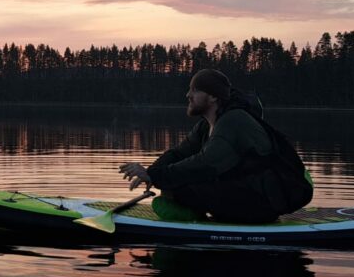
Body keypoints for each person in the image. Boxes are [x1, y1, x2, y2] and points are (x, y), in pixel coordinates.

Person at [119, 69, 309, 224]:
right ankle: (198, 214)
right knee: (172, 187)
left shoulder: (233, 121)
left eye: (194, 90)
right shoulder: (207, 124)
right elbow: (179, 153)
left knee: (177, 190)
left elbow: (206, 164)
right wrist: (152, 173)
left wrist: (157, 177)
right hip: (244, 193)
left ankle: (195, 218)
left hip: (263, 202)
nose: (188, 95)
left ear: (212, 97)